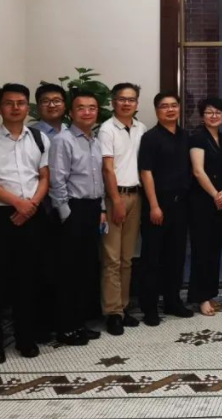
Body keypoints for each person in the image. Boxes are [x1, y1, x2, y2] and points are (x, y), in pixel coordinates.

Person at [0, 84, 50, 362]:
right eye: (9, 103)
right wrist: (18, 203)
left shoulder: (39, 138)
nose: (15, 108)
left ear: (28, 107)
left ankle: (25, 337)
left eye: (21, 103)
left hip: (32, 213)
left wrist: (32, 205)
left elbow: (44, 177)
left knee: (27, 277)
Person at [48, 90, 105, 345]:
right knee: (68, 271)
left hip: (91, 209)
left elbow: (98, 179)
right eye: (81, 108)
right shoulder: (63, 140)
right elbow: (57, 179)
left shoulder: (95, 141)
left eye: (92, 107)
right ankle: (66, 328)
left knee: (85, 269)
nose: (87, 112)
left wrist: (101, 209)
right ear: (71, 113)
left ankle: (78, 323)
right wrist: (65, 213)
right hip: (73, 210)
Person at [138, 91, 194, 325]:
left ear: (179, 108)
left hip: (181, 205)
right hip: (157, 205)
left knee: (176, 256)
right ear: (156, 110)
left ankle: (173, 301)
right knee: (152, 258)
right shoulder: (150, 138)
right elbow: (146, 172)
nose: (170, 110)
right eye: (164, 106)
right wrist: (154, 205)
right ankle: (150, 308)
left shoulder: (185, 136)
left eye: (174, 105)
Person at [97, 83, 147, 336]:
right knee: (112, 259)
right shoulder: (107, 129)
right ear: (113, 102)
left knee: (127, 258)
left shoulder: (141, 128)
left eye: (131, 99)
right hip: (114, 198)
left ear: (137, 103)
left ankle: (123, 307)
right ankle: (112, 312)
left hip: (136, 196)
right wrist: (116, 201)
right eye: (122, 99)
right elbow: (107, 168)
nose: (127, 103)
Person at [31, 83, 69, 341]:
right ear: (39, 105)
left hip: (68, 207)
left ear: (65, 105)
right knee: (42, 266)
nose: (52, 105)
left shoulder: (72, 131)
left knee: (65, 264)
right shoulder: (31, 134)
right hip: (41, 207)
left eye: (57, 100)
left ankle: (64, 319)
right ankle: (41, 323)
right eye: (46, 101)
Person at [188, 97, 222, 316]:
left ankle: (211, 292)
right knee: (201, 249)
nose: (213, 116)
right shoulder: (198, 137)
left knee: (215, 249)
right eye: (209, 112)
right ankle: (201, 297)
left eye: (218, 112)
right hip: (202, 201)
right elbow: (198, 171)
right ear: (202, 115)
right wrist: (215, 194)